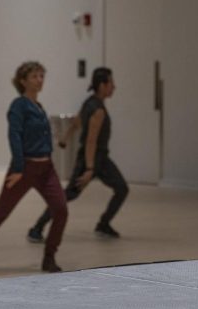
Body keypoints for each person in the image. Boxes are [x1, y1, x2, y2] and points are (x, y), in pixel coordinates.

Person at [0, 61, 68, 275]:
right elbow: (14, 136)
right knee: (2, 211)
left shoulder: (39, 107)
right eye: (35, 76)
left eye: (42, 76)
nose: (40, 80)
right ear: (22, 81)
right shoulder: (19, 105)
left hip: (45, 168)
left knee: (60, 208)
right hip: (24, 168)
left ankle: (49, 257)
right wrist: (19, 168)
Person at [28, 67, 128, 242]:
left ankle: (103, 224)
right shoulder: (97, 110)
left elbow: (77, 121)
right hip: (92, 160)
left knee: (122, 188)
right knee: (68, 195)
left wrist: (65, 138)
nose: (114, 87)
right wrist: (89, 169)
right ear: (102, 85)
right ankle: (37, 228)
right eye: (111, 83)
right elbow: (91, 141)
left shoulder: (89, 102)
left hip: (101, 160)